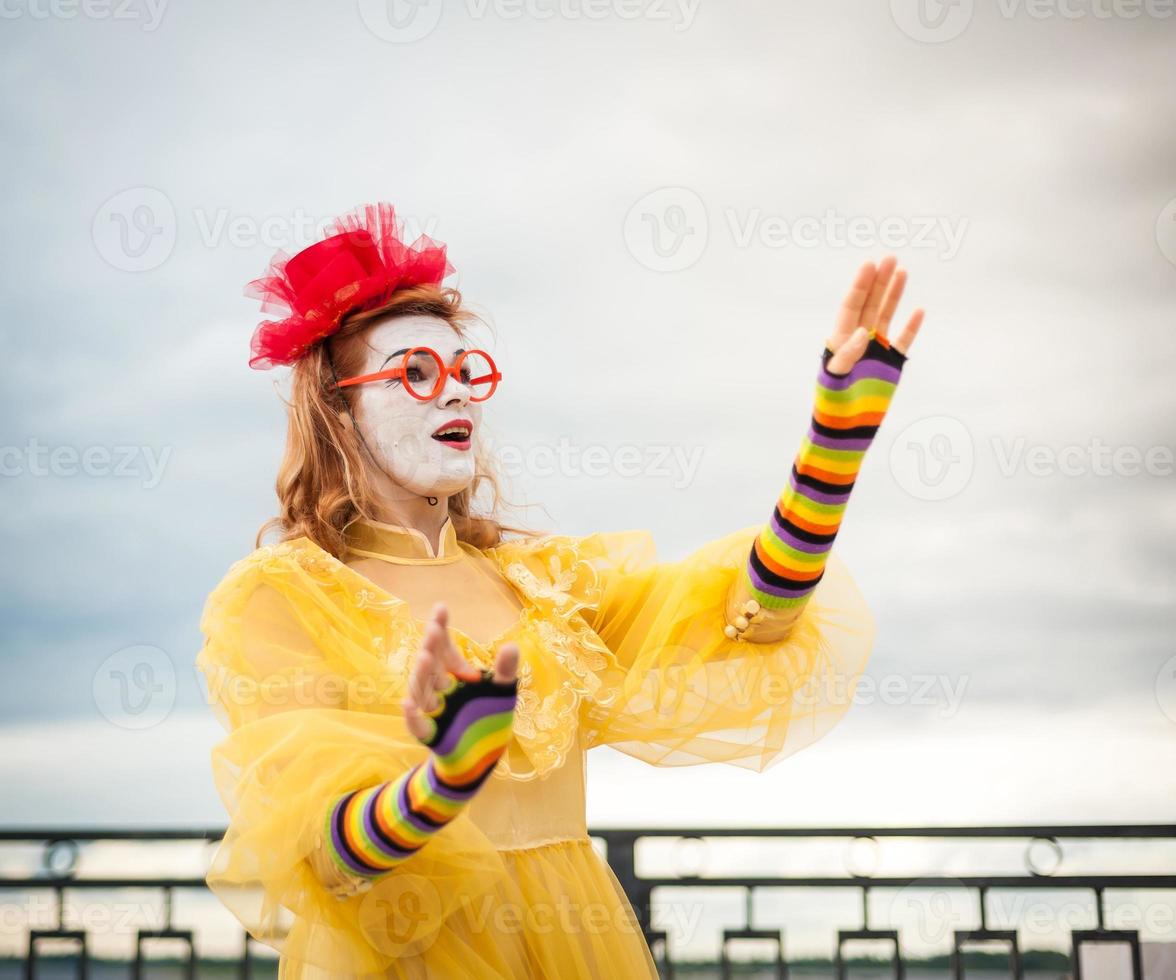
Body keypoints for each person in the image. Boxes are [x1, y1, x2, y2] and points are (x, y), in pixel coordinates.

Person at [195, 202, 924, 978]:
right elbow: (326, 860)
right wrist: (442, 783)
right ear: (337, 409)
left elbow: (753, 618)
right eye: (415, 371)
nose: (457, 393)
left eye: (465, 369)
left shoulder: (546, 588)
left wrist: (832, 446)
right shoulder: (284, 597)